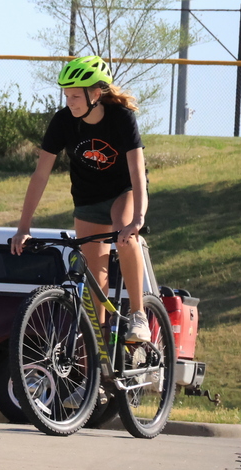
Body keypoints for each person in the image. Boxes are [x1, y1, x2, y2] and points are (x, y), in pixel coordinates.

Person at [9, 55, 151, 343]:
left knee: (124, 235)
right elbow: (40, 176)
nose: (69, 101)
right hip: (87, 198)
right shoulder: (63, 122)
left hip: (123, 192)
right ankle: (99, 348)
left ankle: (138, 314)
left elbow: (137, 171)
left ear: (96, 94)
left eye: (75, 95)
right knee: (94, 272)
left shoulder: (121, 119)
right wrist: (23, 227)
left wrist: (137, 219)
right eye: (66, 95)